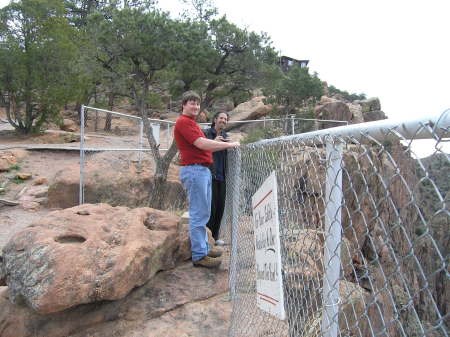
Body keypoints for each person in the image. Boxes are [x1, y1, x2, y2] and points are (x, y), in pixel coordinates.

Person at [174, 91, 240, 268]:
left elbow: (204, 145)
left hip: (202, 170)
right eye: (191, 103)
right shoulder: (183, 122)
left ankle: (204, 247)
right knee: (198, 214)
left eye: (197, 104)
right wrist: (229, 144)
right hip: (195, 170)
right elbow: (202, 144)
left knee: (204, 212)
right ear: (184, 105)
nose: (195, 106)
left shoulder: (191, 123)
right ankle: (199, 255)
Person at [203, 112, 230, 246]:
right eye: (221, 118)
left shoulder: (225, 136)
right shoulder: (206, 134)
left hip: (222, 176)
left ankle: (215, 236)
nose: (223, 121)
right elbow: (202, 150)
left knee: (220, 207)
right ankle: (207, 237)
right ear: (215, 120)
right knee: (210, 208)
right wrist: (215, 142)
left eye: (225, 119)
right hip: (209, 175)